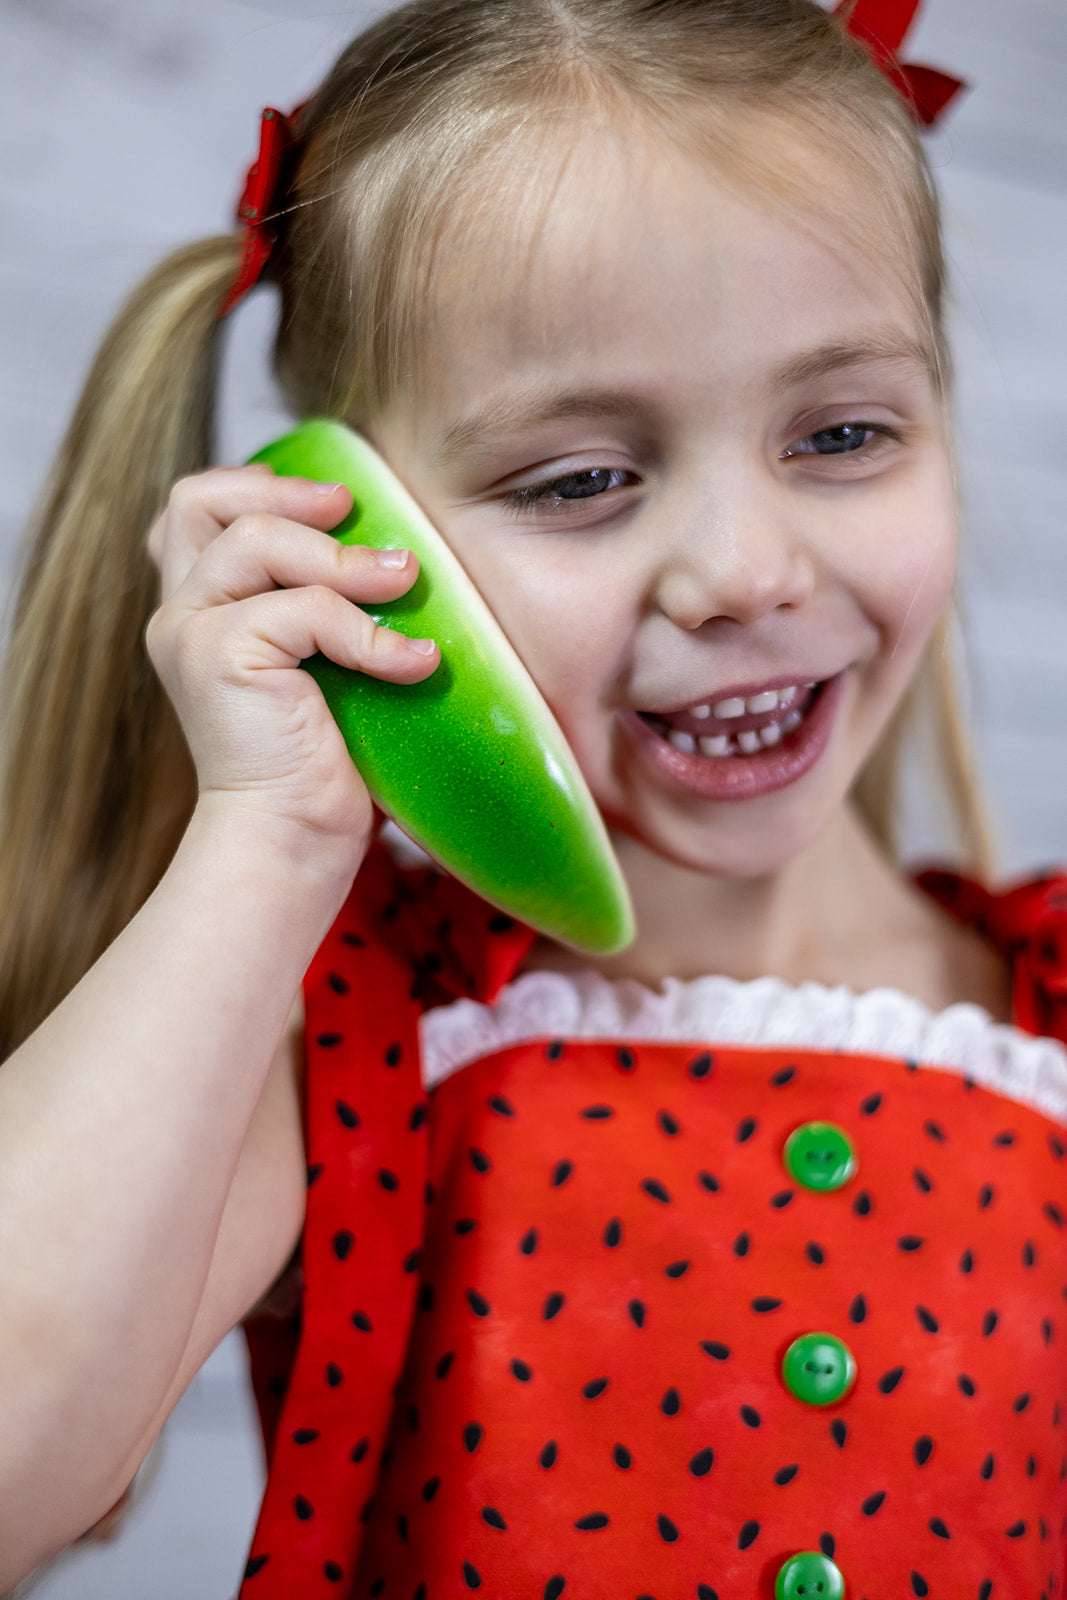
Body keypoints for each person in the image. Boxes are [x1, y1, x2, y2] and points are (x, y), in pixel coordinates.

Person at [1, 1, 1064, 1596]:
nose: (744, 574)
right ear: (361, 529)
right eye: (581, 480)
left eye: (841, 434)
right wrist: (271, 837)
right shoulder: (343, 1031)